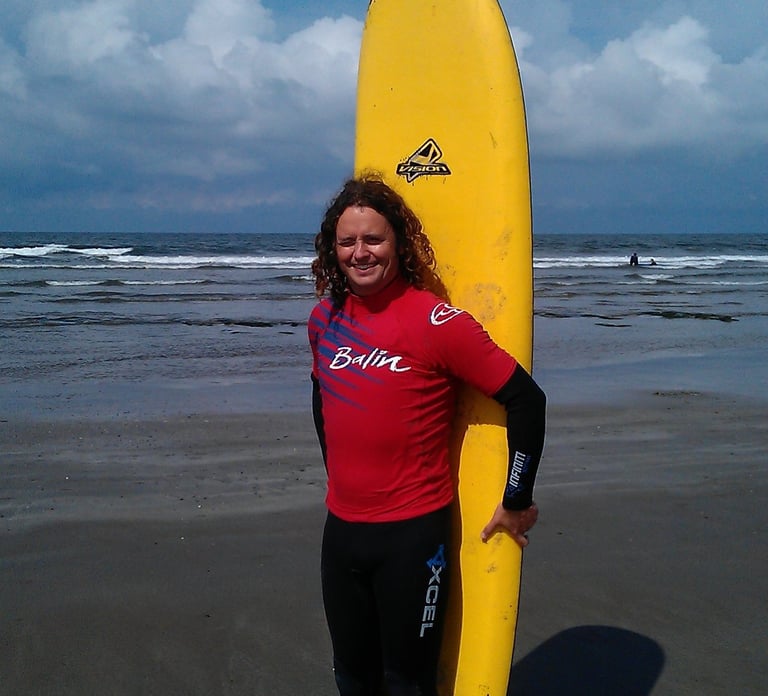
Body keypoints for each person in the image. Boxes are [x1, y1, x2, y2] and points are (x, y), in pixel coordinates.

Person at [308, 175, 546, 696]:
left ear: (399, 242)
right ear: (333, 248)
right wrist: (344, 479)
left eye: (374, 239)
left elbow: (527, 400)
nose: (359, 252)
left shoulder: (438, 323)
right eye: (347, 242)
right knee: (351, 676)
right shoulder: (324, 321)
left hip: (413, 540)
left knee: (408, 682)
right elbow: (321, 400)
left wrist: (516, 497)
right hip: (343, 533)